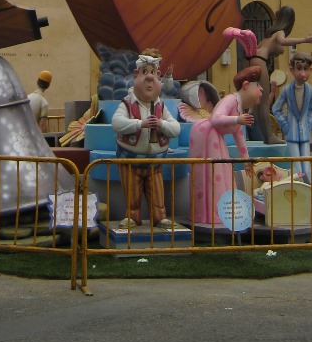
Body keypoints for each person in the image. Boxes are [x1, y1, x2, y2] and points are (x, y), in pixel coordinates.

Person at [224, 6, 312, 143]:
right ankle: (269, 137)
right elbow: (282, 42)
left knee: (256, 102)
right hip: (259, 60)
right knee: (263, 103)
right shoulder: (280, 32)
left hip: (249, 59)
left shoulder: (269, 35)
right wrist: (304, 39)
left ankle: (259, 134)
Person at [111, 50, 181, 229]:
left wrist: (162, 124)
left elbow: (176, 128)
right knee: (132, 192)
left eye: (153, 73)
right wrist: (139, 124)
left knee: (157, 193)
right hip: (130, 160)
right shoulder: (127, 103)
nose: (149, 78)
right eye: (144, 72)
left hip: (155, 163)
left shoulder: (161, 106)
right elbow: (116, 123)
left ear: (158, 76)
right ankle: (132, 216)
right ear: (136, 75)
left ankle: (159, 217)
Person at [188, 66, 263, 226]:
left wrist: (246, 160)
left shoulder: (239, 107)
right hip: (208, 135)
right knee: (214, 173)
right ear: (246, 85)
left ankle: (221, 211)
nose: (261, 89)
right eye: (258, 85)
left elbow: (238, 134)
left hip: (216, 138)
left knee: (223, 173)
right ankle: (210, 212)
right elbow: (215, 118)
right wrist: (237, 120)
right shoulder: (231, 99)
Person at [271, 51, 312, 210]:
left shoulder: (309, 90)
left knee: (307, 169)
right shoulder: (287, 90)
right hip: (292, 136)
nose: (303, 73)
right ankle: (299, 201)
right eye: (299, 69)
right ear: (292, 70)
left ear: (310, 70)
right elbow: (276, 109)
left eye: (306, 69)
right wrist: (285, 126)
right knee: (297, 169)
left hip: (304, 135)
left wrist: (308, 124)